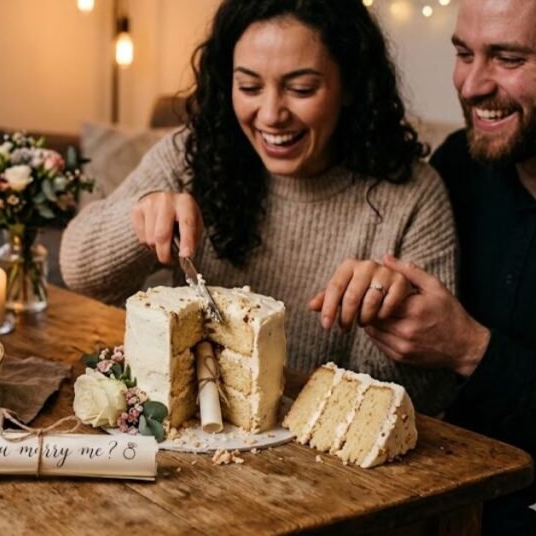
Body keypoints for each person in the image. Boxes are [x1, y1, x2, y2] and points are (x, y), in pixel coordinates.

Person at [60, 0, 458, 415]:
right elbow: (79, 272)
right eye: (249, 88)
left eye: (301, 89)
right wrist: (140, 219)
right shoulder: (193, 154)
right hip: (192, 428)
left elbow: (419, 401)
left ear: (351, 86)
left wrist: (387, 314)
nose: (271, 115)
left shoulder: (412, 196)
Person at [343, 0, 536, 533]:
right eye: (464, 53)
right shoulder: (455, 166)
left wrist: (472, 350)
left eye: (509, 58)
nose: (472, 85)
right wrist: (384, 296)